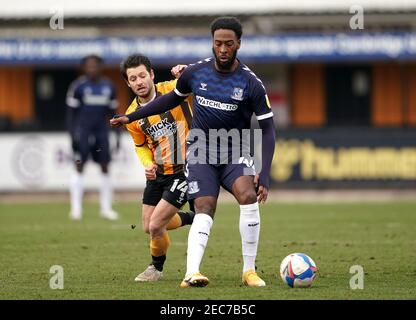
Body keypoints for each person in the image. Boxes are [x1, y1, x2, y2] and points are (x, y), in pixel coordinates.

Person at [111, 17, 276, 288]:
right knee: (203, 206)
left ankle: (249, 271)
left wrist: (265, 175)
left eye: (229, 44)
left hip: (235, 149)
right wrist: (131, 117)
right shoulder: (196, 73)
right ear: (212, 43)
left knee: (248, 196)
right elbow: (167, 100)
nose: (223, 49)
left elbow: (268, 129)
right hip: (199, 150)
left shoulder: (251, 83)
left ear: (238, 44)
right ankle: (192, 272)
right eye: (218, 43)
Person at [120, 54, 195, 281]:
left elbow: (205, 80)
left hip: (184, 170)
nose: (139, 81)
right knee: (148, 226)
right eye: (133, 78)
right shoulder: (132, 115)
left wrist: (187, 71)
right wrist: (148, 163)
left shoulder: (174, 89)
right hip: (157, 174)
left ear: (151, 75)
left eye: (142, 75)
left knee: (155, 225)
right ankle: (192, 217)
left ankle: (156, 269)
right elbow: (140, 146)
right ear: (128, 83)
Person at [66, 54, 119, 220]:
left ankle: (106, 208)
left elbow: (114, 113)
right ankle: (76, 209)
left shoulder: (109, 86)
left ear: (100, 67)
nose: (92, 69)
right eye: (88, 66)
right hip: (83, 132)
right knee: (79, 165)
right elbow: (70, 113)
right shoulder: (78, 86)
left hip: (101, 132)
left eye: (95, 65)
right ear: (84, 68)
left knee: (105, 167)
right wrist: (71, 135)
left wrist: (117, 136)